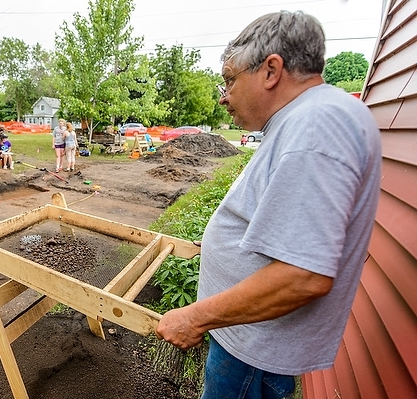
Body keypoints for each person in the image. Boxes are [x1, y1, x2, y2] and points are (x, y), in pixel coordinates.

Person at [155, 11, 381, 399]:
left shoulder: (316, 127)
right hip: (248, 341)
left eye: (229, 80)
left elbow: (304, 274)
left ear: (271, 70)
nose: (224, 97)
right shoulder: (307, 119)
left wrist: (194, 317)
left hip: (252, 353)